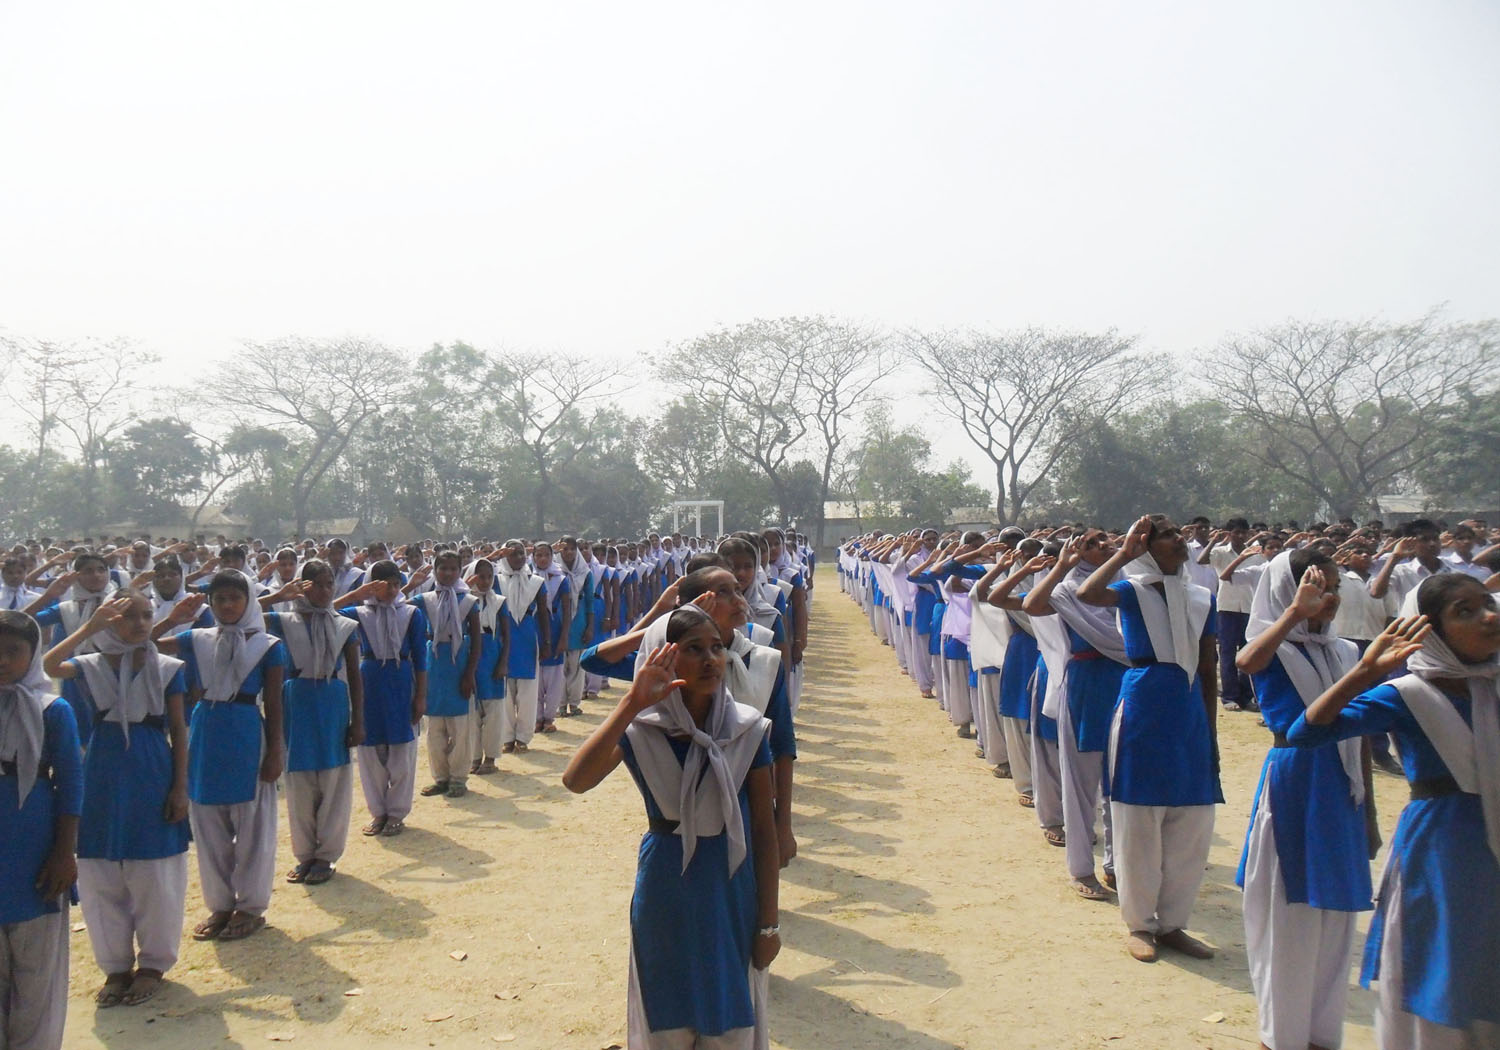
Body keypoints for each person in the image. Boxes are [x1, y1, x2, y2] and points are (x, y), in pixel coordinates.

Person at [1288, 575, 1499, 1048]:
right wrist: (1365, 671)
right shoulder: (1407, 693)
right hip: (1445, 850)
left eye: (1488, 603)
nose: (1488, 616)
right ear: (1429, 632)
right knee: (1441, 968)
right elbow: (1307, 733)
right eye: (1464, 611)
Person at [562, 606, 779, 1049]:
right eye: (693, 649)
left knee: (728, 1014)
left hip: (729, 885)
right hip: (666, 885)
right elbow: (576, 780)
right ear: (661, 659)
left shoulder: (747, 729)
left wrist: (769, 925)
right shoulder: (643, 728)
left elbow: (763, 829)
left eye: (717, 647)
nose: (710, 660)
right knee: (667, 1013)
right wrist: (631, 702)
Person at [1234, 550, 1376, 1050]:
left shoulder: (1342, 651)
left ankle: (1319, 1034)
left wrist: (1370, 815)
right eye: (1318, 587)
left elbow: (1358, 735)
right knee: (1289, 913)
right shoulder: (1275, 648)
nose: (1329, 598)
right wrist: (1294, 613)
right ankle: (1281, 1036)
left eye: (1334, 587)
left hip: (1342, 788)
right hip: (1296, 780)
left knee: (1335, 914)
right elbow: (1247, 661)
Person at [1077, 515, 1221, 963]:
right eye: (1167, 536)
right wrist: (1124, 554)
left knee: (1191, 820)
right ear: (1147, 546)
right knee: (1139, 819)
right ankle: (1140, 923)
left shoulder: (1202, 596)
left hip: (1189, 709)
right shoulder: (1133, 589)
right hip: (1144, 704)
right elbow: (1087, 594)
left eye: (1180, 534)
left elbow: (1209, 665)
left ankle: (1174, 922)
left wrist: (1210, 732)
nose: (1180, 541)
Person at [43, 590, 190, 1008]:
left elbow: (178, 730)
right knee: (100, 868)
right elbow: (49, 664)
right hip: (104, 768)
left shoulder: (167, 667)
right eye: (128, 616)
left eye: (146, 615)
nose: (140, 623)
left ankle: (153, 963)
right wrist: (89, 629)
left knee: (155, 870)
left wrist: (179, 787)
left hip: (150, 765)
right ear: (111, 621)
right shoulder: (91, 664)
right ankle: (115, 966)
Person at [152, 571, 285, 943]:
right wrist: (172, 618)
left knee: (253, 825)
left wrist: (275, 751)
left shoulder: (268, 645)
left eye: (234, 598)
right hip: (207, 730)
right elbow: (141, 644)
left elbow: (274, 704)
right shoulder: (196, 639)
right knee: (208, 821)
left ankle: (251, 905)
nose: (226, 605)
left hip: (245, 729)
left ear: (248, 601)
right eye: (219, 599)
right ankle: (221, 904)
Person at [0, 610, 82, 1050]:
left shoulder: (53, 709)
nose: (2, 659)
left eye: (12, 650)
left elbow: (70, 784)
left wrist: (64, 853)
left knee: (36, 974)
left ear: (33, 655)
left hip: (32, 845)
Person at [265, 560, 364, 883]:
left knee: (334, 780)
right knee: (300, 782)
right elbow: (245, 618)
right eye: (314, 585)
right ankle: (305, 853)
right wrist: (277, 596)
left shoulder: (343, 625)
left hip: (332, 701)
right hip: (297, 701)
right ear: (301, 586)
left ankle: (327, 855)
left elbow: (354, 673)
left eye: (328, 585)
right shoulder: (282, 622)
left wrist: (357, 719)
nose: (322, 592)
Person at [340, 561, 428, 837]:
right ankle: (378, 811)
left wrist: (420, 697)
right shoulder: (357, 613)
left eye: (394, 584)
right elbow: (322, 612)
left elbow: (421, 659)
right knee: (370, 752)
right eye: (382, 585)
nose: (390, 590)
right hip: (370, 682)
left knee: (402, 751)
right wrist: (357, 594)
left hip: (401, 680)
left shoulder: (411, 614)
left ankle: (397, 812)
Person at [413, 551, 479, 799]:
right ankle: (440, 777)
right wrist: (411, 585)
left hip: (458, 664)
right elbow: (399, 609)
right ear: (435, 570)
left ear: (460, 570)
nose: (448, 573)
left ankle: (458, 778)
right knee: (435, 728)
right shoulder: (425, 599)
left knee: (460, 729)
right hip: (435, 665)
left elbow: (477, 643)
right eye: (443, 569)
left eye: (453, 569)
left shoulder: (468, 601)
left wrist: (469, 673)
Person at [497, 541, 546, 754]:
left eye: (520, 553)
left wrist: (547, 642)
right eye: (511, 553)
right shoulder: (496, 580)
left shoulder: (536, 582)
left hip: (526, 634)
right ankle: (507, 736)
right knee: (505, 690)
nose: (517, 557)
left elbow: (543, 613)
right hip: (502, 636)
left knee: (527, 690)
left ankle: (523, 737)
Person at [465, 558, 509, 775]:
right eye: (480, 576)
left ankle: (490, 758)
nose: (485, 581)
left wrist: (503, 662)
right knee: (472, 713)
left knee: (493, 712)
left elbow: (507, 637)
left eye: (489, 576)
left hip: (492, 657)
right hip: (471, 658)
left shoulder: (499, 601)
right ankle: (474, 757)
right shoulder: (465, 601)